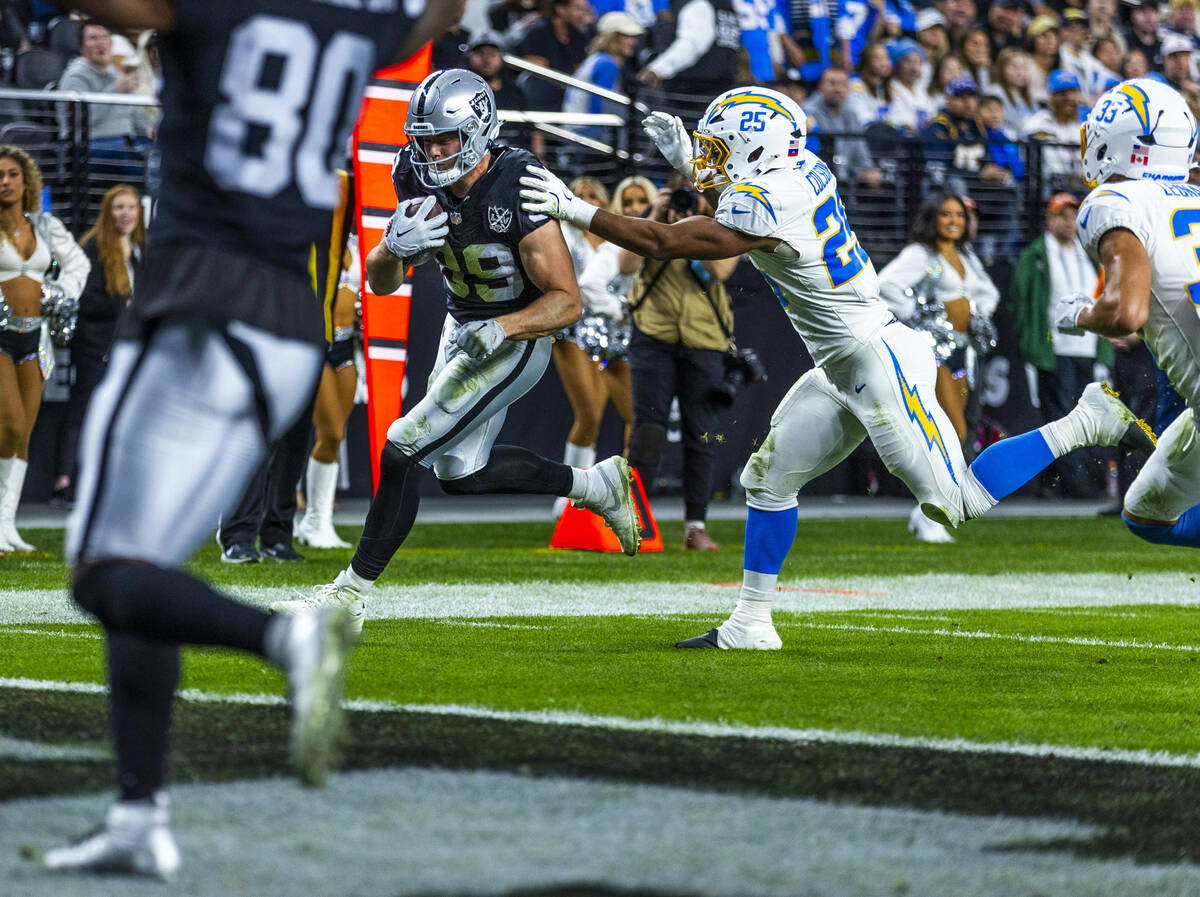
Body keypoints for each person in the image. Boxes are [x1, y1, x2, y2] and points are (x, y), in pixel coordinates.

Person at [42, 0, 464, 879]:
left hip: (199, 306)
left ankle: (286, 640)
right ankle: (139, 814)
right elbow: (434, 16)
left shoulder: (213, 12)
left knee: (102, 572)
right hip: (287, 331)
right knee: (145, 561)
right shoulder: (354, 29)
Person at [519, 84, 1156, 649]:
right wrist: (688, 160)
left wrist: (575, 210)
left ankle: (1084, 421)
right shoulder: (798, 169)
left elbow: (668, 239)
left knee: (954, 503)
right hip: (842, 363)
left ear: (756, 151)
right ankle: (751, 621)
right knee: (767, 481)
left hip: (878, 361)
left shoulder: (770, 198)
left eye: (720, 149)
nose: (710, 161)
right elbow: (732, 197)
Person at [271, 69, 641, 634]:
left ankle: (349, 597)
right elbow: (382, 282)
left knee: (402, 447)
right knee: (459, 474)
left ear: (479, 128)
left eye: (446, 138)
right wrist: (391, 250)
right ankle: (594, 484)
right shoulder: (411, 173)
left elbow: (566, 302)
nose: (434, 150)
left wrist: (504, 329)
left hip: (516, 334)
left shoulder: (519, 180)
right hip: (461, 324)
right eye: (425, 139)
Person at [1059, 78, 1200, 550]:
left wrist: (1078, 313)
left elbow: (1125, 312)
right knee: (1146, 511)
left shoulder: (1114, 201)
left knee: (1149, 514)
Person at [619, 180, 739, 551]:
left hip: (704, 339)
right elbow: (625, 264)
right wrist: (657, 217)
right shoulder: (652, 222)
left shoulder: (719, 225)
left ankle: (696, 526)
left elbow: (721, 271)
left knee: (702, 435)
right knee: (647, 431)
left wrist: (691, 227)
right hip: (652, 336)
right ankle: (632, 520)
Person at [877, 191, 999, 542]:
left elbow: (990, 293)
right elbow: (886, 286)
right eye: (946, 214)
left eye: (959, 215)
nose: (954, 221)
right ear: (933, 218)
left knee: (960, 433)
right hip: (935, 355)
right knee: (952, 433)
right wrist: (922, 315)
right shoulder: (920, 254)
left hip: (965, 352)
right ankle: (930, 511)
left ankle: (927, 513)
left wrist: (974, 312)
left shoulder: (966, 256)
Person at [0, 145, 89, 552]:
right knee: (11, 424)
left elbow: (78, 264)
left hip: (35, 338)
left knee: (23, 436)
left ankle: (7, 525)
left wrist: (60, 293)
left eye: (12, 174)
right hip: (0, 336)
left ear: (26, 180)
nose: (4, 181)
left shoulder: (46, 226)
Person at [1010, 192, 1114, 498]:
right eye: (1062, 216)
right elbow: (1020, 301)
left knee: (1080, 418)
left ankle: (1053, 483)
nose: (1069, 222)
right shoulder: (1037, 254)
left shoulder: (1089, 255)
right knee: (1062, 418)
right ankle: (1077, 485)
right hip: (1054, 348)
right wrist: (1032, 341)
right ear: (1049, 219)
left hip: (1088, 346)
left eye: (1073, 216)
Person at [51, 183, 144, 511]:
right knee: (84, 409)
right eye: (119, 208)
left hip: (127, 347)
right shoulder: (92, 248)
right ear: (108, 212)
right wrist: (125, 304)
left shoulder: (139, 249)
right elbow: (84, 300)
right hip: (94, 346)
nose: (126, 214)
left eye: (131, 208)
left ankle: (107, 482)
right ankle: (66, 481)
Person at [549, 175, 636, 519]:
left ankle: (626, 493)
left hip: (617, 336)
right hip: (573, 330)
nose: (587, 201)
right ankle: (570, 493)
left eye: (593, 195)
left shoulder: (618, 238)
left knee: (636, 416)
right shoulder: (562, 235)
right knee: (590, 414)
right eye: (579, 196)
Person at [295, 234, 361, 551]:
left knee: (335, 437)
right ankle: (312, 517)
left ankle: (317, 522)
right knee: (331, 432)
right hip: (316, 346)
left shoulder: (361, 243)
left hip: (347, 346)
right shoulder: (316, 242)